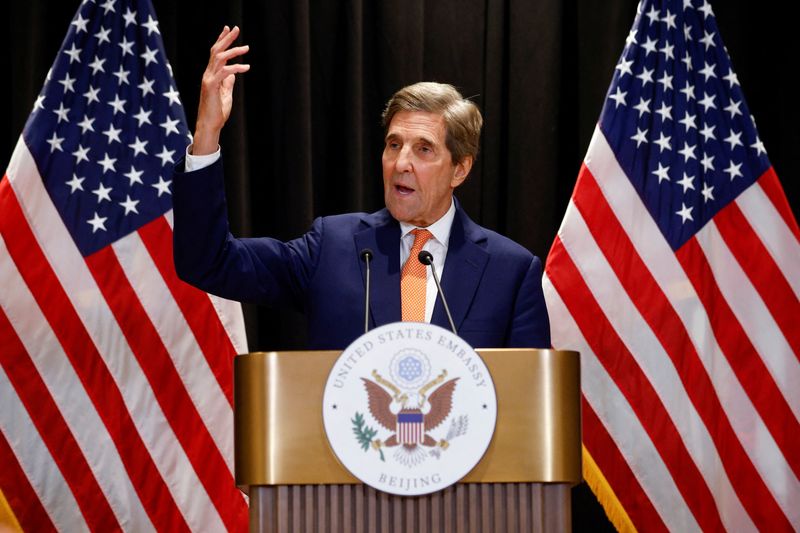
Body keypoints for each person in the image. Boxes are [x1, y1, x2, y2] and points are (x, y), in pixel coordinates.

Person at [172, 26, 550, 350]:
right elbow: (209, 261)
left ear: (460, 170)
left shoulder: (510, 271)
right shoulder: (332, 246)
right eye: (394, 144)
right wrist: (207, 134)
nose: (402, 163)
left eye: (423, 149)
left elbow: (532, 400)